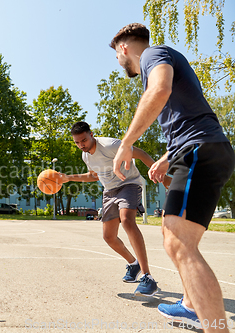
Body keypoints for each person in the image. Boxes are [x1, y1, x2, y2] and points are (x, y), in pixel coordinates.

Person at [110, 23, 235, 331]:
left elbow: (160, 89)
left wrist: (126, 144)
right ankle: (192, 305)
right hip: (202, 147)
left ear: (123, 48)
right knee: (175, 236)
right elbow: (190, 114)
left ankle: (214, 326)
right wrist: (166, 159)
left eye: (116, 55)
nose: (118, 61)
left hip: (198, 150)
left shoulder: (153, 54)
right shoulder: (165, 58)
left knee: (179, 243)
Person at [59, 121, 169, 297]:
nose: (81, 145)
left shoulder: (110, 145)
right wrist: (69, 177)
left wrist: (163, 177)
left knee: (127, 220)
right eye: (77, 142)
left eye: (84, 140)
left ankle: (148, 277)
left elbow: (139, 153)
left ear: (91, 134)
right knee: (109, 236)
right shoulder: (86, 156)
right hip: (109, 191)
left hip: (129, 184)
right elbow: (94, 176)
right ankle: (134, 265)